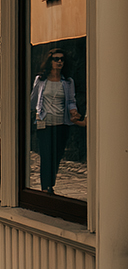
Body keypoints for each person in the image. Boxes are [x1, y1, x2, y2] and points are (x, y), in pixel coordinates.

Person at [31, 47, 84, 193]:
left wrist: (73, 111)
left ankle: (50, 184)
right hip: (45, 124)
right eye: (56, 59)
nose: (59, 62)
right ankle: (45, 188)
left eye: (62, 59)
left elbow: (71, 101)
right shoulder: (41, 80)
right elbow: (33, 100)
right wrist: (36, 112)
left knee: (56, 156)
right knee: (46, 156)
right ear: (50, 61)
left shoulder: (67, 82)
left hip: (62, 124)